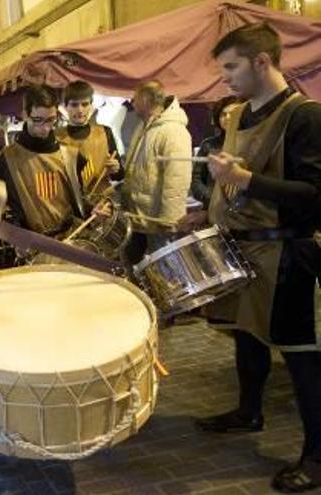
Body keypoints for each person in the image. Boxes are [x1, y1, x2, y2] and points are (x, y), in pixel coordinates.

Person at [177, 23, 321, 493]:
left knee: (300, 356)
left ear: (263, 62)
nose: (225, 78)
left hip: (287, 254)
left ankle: (318, 457)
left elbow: (314, 196)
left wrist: (246, 182)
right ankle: (248, 411)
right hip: (241, 247)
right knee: (246, 336)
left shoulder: (305, 116)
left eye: (232, 67)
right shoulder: (238, 116)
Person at [0, 84, 87, 237]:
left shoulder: (70, 155)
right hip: (31, 246)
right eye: (38, 120)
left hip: (70, 241)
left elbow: (81, 201)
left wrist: (95, 208)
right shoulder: (8, 158)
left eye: (51, 120)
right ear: (25, 114)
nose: (45, 128)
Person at [120, 80, 193, 263]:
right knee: (132, 268)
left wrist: (169, 221)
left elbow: (177, 179)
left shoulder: (173, 131)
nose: (132, 102)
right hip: (138, 218)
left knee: (165, 275)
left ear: (145, 99)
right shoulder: (146, 126)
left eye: (135, 98)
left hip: (157, 223)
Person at [55, 80, 123, 205]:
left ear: (91, 105)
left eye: (85, 104)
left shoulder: (105, 132)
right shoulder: (56, 137)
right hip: (68, 207)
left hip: (101, 206)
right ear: (65, 107)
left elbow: (118, 176)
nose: (80, 110)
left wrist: (116, 168)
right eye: (74, 105)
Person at [191, 95, 242, 206]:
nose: (228, 118)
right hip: (212, 207)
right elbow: (196, 181)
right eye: (223, 114)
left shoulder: (252, 143)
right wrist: (214, 200)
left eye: (233, 113)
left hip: (243, 211)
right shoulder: (209, 144)